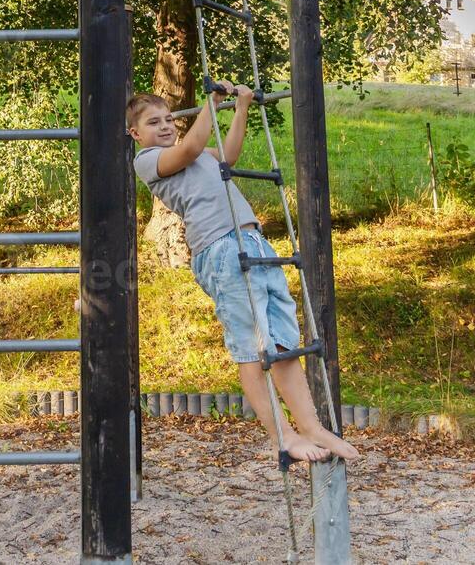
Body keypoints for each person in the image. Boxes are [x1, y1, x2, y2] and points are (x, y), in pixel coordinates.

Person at [128, 81, 357, 464]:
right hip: (221, 251)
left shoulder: (195, 155)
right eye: (154, 122)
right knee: (252, 349)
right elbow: (191, 147)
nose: (165, 126)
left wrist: (241, 108)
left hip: (254, 245)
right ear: (137, 134)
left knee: (283, 344)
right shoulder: (149, 160)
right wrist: (211, 103)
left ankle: (311, 426)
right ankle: (281, 436)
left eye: (169, 118)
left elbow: (228, 156)